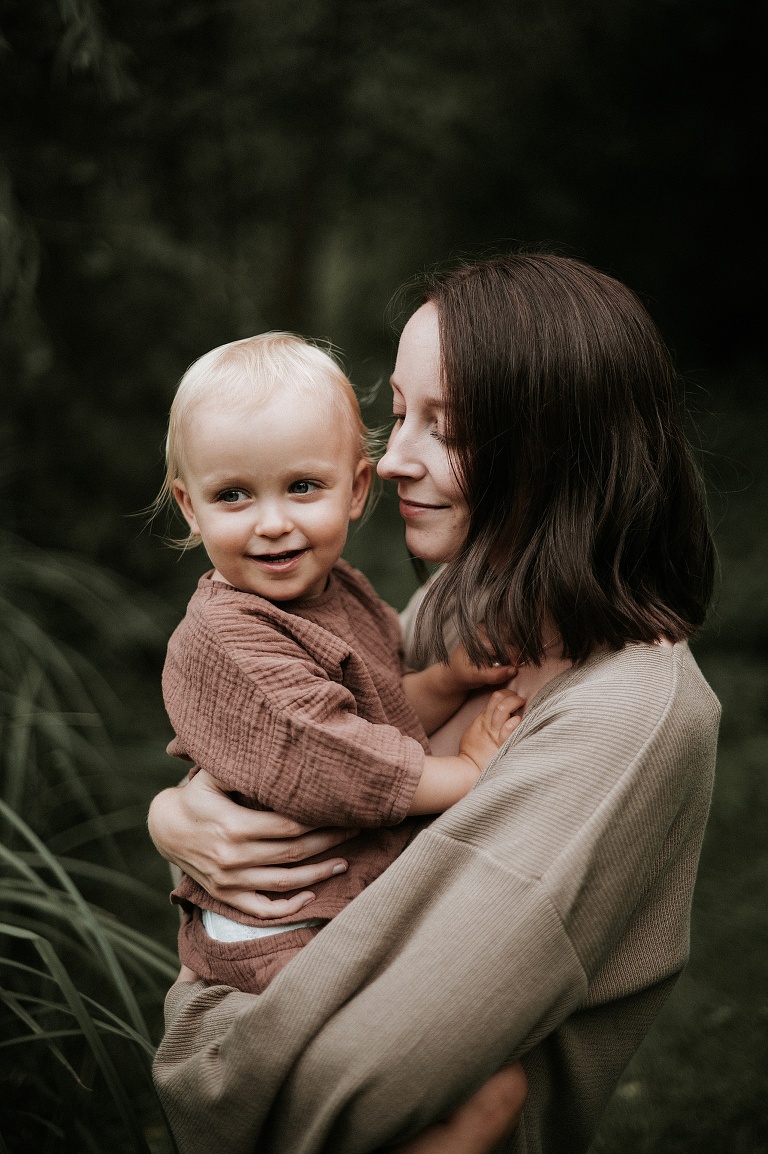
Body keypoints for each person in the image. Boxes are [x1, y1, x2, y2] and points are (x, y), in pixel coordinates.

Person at [150, 253, 719, 1154]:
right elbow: (312, 744)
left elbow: (356, 1085)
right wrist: (176, 813)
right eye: (401, 413)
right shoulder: (467, 604)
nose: (393, 456)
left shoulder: (631, 714)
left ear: (557, 445)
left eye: (444, 429)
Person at [156, 332, 522, 993]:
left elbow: (377, 709)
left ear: (355, 489)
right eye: (233, 496)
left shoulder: (340, 590)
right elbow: (341, 759)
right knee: (429, 1038)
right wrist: (470, 772)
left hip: (337, 898)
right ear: (191, 506)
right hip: (280, 926)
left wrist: (445, 680)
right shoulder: (231, 637)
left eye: (301, 487)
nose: (271, 523)